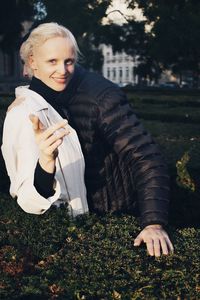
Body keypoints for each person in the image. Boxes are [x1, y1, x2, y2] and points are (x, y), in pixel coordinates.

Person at [3, 22, 173, 257]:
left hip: (116, 218)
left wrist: (153, 223)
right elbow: (27, 194)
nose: (62, 70)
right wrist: (46, 163)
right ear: (32, 62)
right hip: (79, 228)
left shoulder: (99, 96)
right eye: (52, 61)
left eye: (69, 61)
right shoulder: (31, 107)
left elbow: (146, 156)